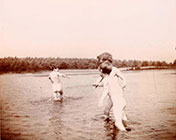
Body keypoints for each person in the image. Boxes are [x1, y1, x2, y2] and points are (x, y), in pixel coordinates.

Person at [93, 52, 127, 118]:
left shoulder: (114, 70)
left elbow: (122, 77)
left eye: (101, 61)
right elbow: (101, 77)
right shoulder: (104, 69)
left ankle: (124, 123)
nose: (99, 62)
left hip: (114, 94)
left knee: (121, 112)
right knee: (106, 110)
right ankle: (107, 122)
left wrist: (124, 83)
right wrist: (96, 83)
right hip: (110, 94)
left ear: (107, 61)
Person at [96, 61, 128, 131]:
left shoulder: (106, 80)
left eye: (98, 71)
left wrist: (101, 100)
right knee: (107, 110)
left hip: (117, 103)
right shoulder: (113, 78)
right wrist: (98, 85)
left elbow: (106, 90)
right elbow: (110, 87)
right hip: (121, 101)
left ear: (101, 71)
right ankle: (126, 124)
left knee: (118, 123)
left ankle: (126, 135)